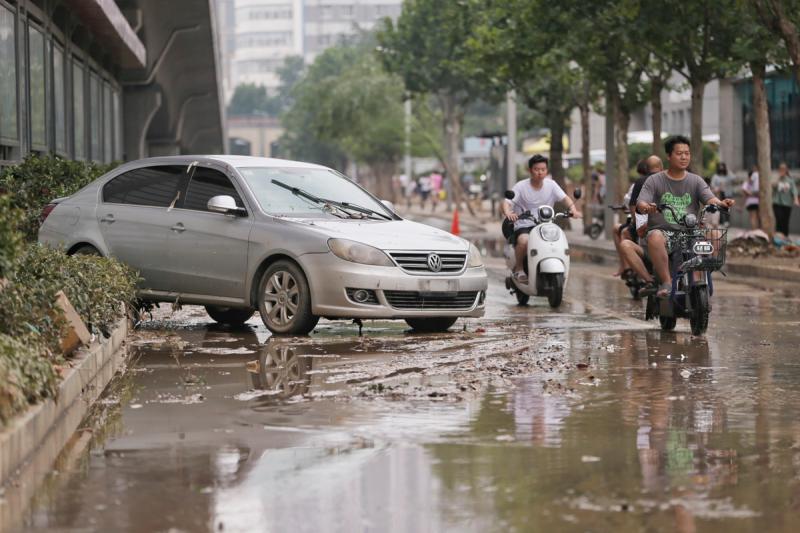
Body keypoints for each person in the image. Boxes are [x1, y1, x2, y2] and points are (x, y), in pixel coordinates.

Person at [620, 136, 734, 298]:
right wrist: (646, 207)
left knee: (716, 235)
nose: (684, 157)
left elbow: (709, 197)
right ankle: (666, 281)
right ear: (669, 156)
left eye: (687, 153)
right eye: (679, 153)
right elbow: (641, 202)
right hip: (665, 235)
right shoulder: (654, 180)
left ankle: (700, 275)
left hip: (690, 233)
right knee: (655, 236)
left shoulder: (695, 180)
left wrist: (721, 203)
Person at [502, 154, 581, 283]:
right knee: (523, 240)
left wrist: (573, 210)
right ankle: (519, 269)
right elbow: (507, 202)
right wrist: (508, 212)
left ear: (546, 170)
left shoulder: (551, 185)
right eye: (536, 169)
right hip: (524, 225)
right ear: (530, 170)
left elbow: (565, 198)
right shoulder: (521, 186)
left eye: (543, 169)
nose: (540, 172)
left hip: (546, 225)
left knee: (558, 240)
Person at [612, 155, 664, 277]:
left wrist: (637, 224)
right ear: (661, 167)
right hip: (667, 227)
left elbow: (632, 205)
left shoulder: (640, 182)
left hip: (646, 227)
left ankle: (628, 268)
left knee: (625, 236)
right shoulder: (667, 180)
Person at [772, 162, 798, 237]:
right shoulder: (777, 179)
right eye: (780, 169)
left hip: (787, 204)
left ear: (786, 170)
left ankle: (785, 236)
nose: (782, 171)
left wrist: (795, 200)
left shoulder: (790, 181)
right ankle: (778, 236)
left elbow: (794, 191)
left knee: (785, 221)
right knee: (779, 219)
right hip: (777, 203)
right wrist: (778, 178)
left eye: (783, 169)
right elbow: (772, 186)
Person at [710, 162, 733, 226]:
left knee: (728, 208)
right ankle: (721, 222)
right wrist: (718, 188)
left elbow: (734, 177)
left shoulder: (727, 175)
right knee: (721, 207)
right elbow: (712, 185)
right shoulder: (715, 176)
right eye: (720, 167)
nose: (721, 168)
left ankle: (727, 222)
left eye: (723, 167)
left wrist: (728, 170)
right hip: (720, 194)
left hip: (728, 194)